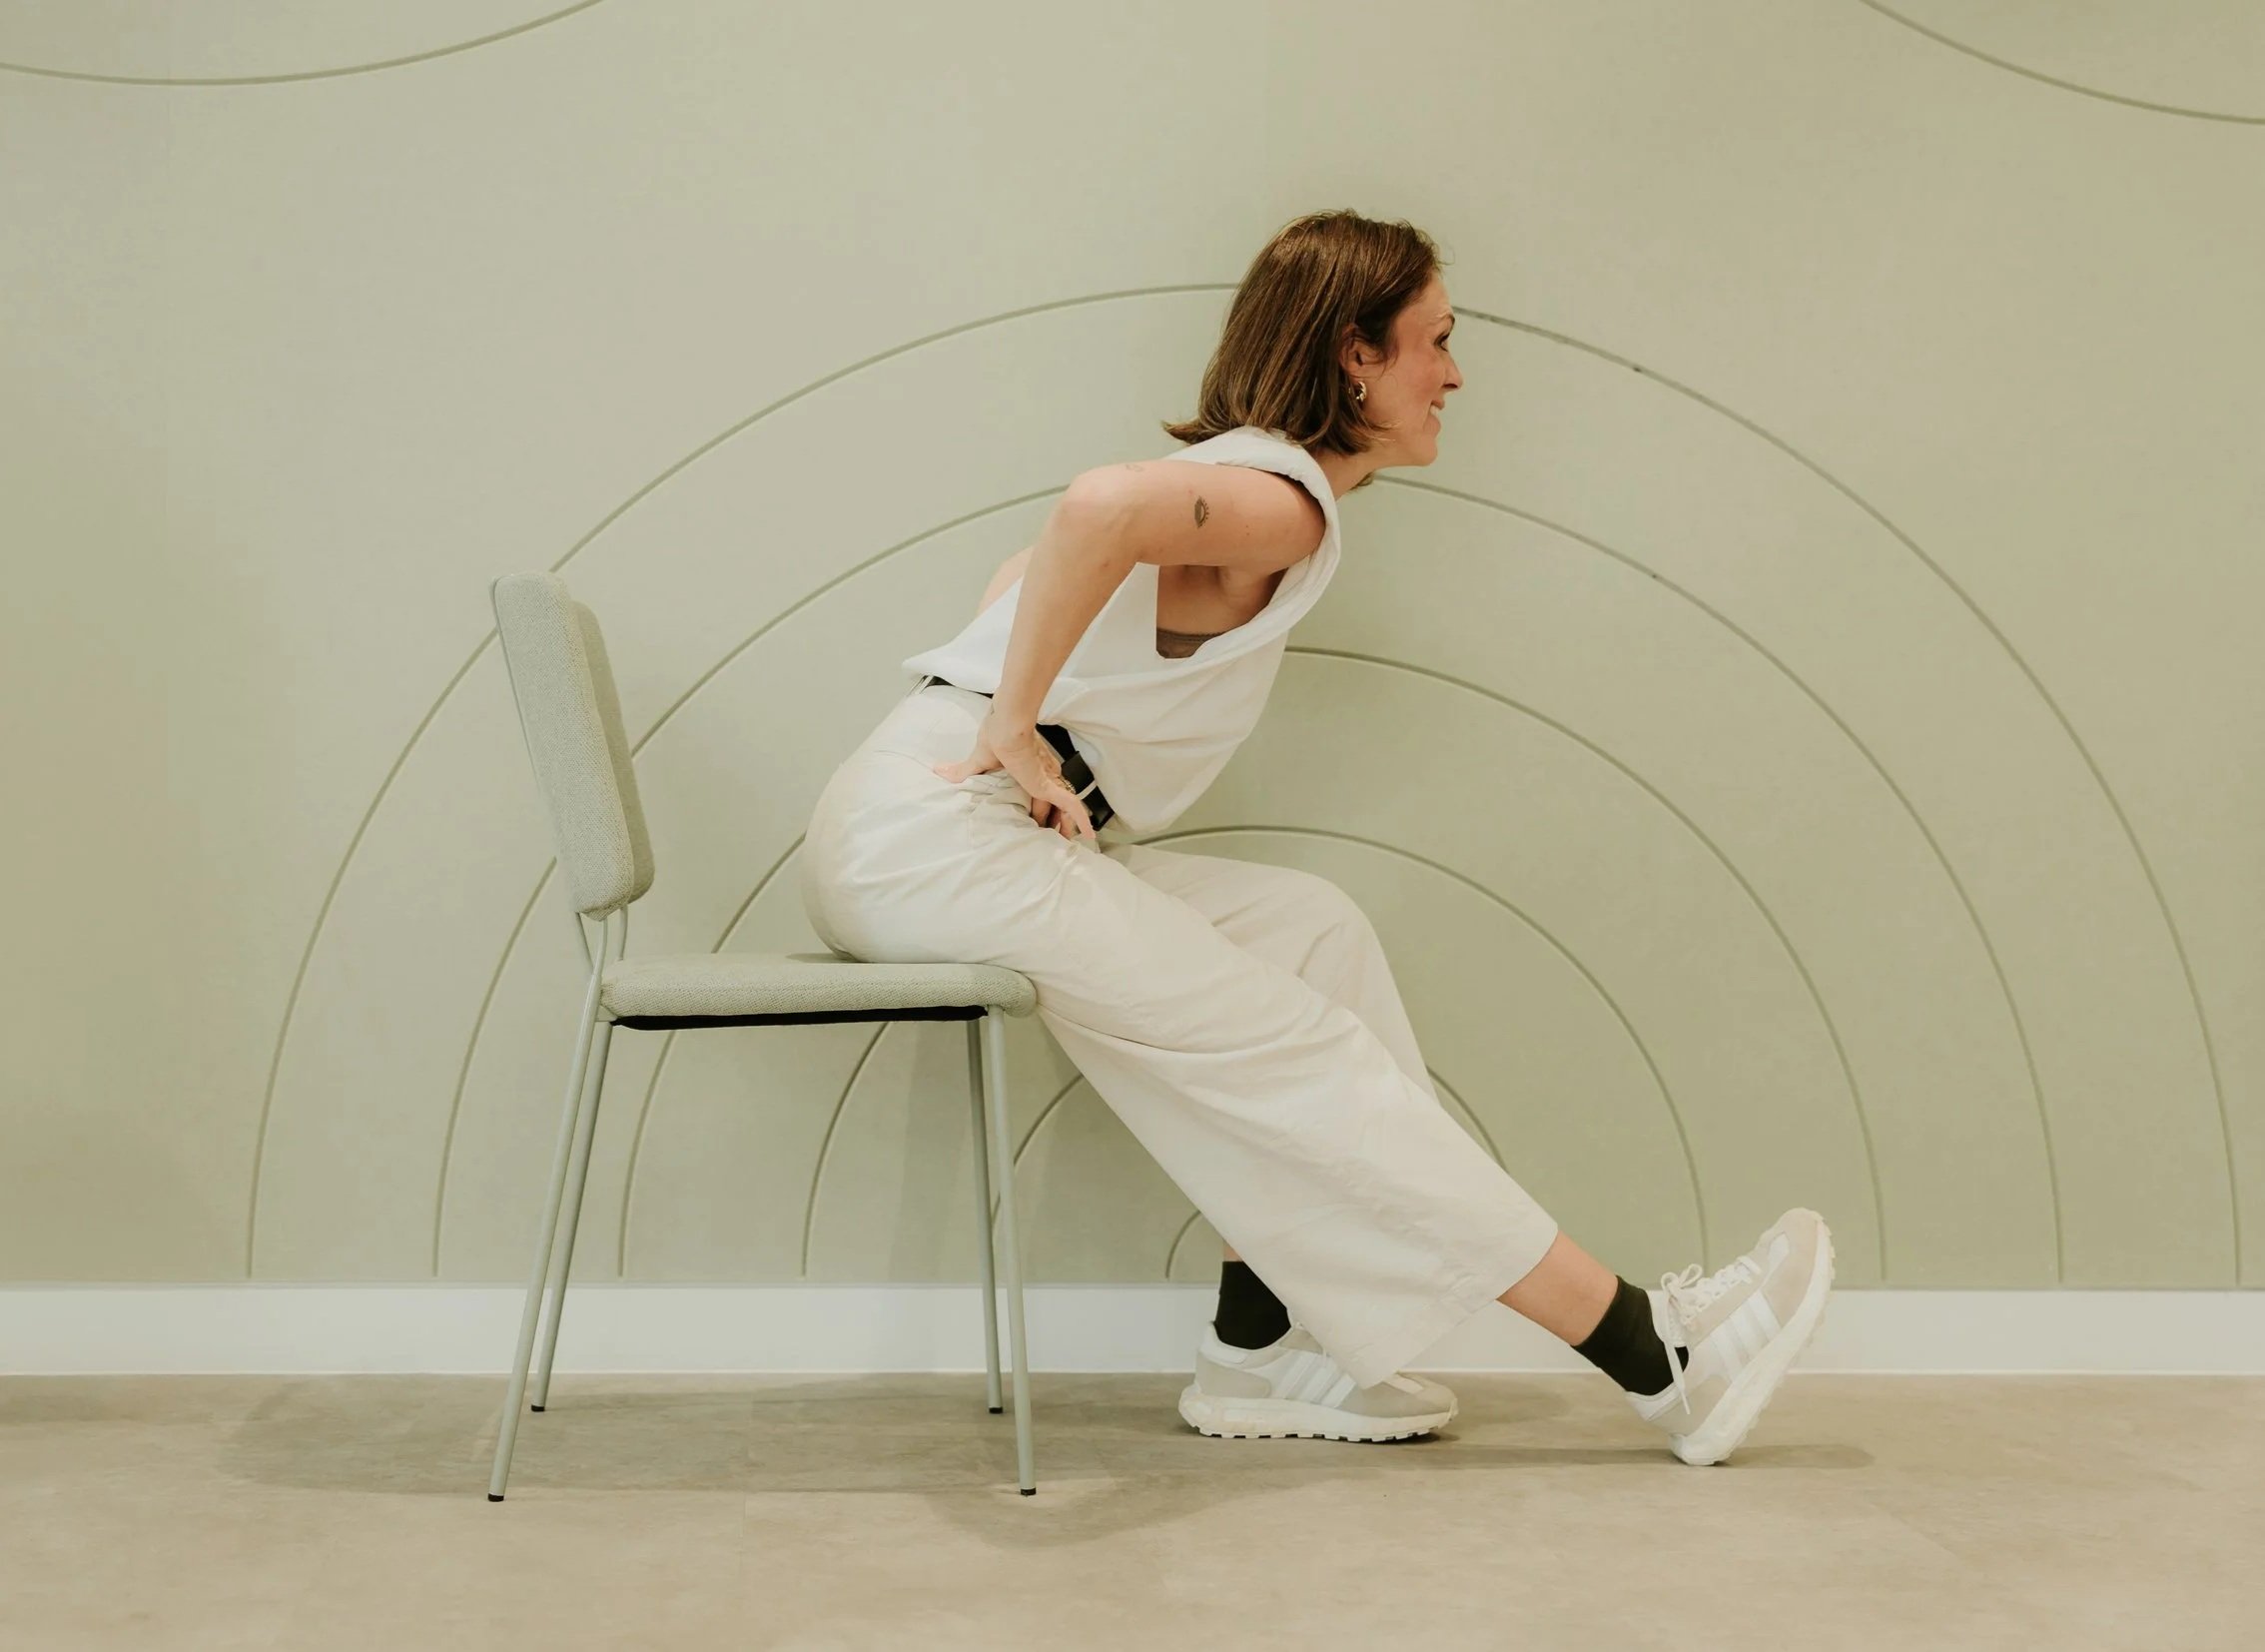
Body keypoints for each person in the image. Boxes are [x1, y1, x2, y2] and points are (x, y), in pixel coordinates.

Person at [799, 210, 1834, 1466]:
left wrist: (1028, 726)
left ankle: (1266, 1340)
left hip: (912, 829)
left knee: (1305, 931)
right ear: (1356, 352)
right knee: (1301, 1054)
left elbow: (1030, 573)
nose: (1455, 372)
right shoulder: (1281, 502)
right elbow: (1095, 507)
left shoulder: (1246, 486)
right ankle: (1656, 1355)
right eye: (1435, 340)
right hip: (937, 843)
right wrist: (1015, 729)